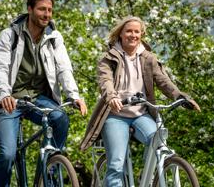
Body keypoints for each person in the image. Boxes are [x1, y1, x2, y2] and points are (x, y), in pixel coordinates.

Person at [79, 16, 200, 186]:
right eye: (129, 31)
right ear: (120, 33)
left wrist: (180, 96)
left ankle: (148, 178)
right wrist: (112, 96)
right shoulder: (109, 57)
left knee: (159, 144)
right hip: (116, 115)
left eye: (137, 32)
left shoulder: (148, 58)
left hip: (141, 114)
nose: (133, 35)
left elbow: (163, 81)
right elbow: (105, 80)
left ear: (141, 35)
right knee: (116, 164)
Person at [0, 0, 87, 187]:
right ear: (30, 9)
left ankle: (47, 172)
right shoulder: (10, 35)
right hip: (10, 101)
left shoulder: (55, 37)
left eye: (50, 10)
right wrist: (4, 94)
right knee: (7, 154)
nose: (46, 14)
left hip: (38, 99)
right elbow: (0, 67)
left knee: (60, 119)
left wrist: (74, 95)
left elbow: (64, 68)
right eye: (42, 9)